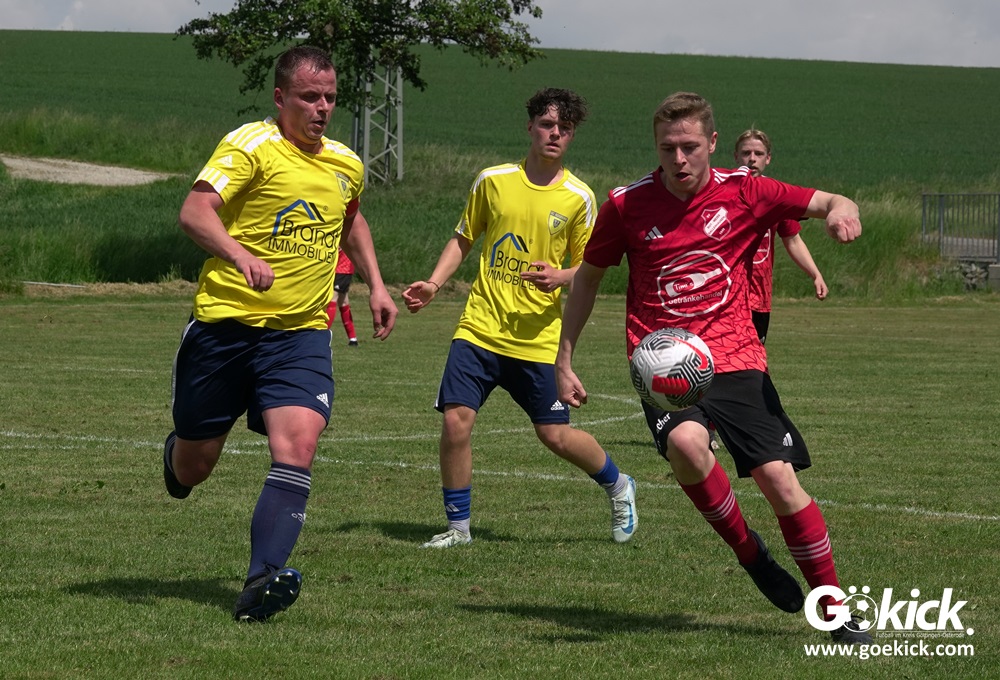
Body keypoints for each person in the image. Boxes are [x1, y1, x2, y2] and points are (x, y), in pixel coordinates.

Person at [555, 92, 871, 645]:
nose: (678, 159)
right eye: (667, 148)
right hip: (664, 362)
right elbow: (588, 279)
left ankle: (835, 610)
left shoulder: (747, 190)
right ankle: (750, 553)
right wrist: (565, 358)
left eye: (690, 147)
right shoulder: (626, 205)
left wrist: (844, 210)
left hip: (737, 356)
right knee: (687, 446)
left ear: (713, 143)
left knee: (779, 480)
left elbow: (829, 200)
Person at [163, 45, 398, 622]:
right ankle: (177, 457)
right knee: (195, 467)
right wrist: (239, 254)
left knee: (298, 446)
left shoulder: (345, 163)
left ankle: (260, 583)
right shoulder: (250, 145)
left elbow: (350, 219)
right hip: (225, 328)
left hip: (300, 335)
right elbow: (195, 213)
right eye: (309, 97)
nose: (323, 108)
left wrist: (377, 284)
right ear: (280, 97)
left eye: (330, 98)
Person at [402, 88, 638, 549]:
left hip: (537, 338)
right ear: (530, 127)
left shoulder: (579, 197)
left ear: (572, 136)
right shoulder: (492, 180)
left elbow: (591, 268)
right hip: (480, 326)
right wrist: (433, 283)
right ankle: (459, 529)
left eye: (564, 128)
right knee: (456, 421)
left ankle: (619, 484)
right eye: (547, 124)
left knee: (555, 435)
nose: (555, 134)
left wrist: (560, 275)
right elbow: (463, 237)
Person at [734, 128, 828, 344]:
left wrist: (815, 274)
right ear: (736, 156)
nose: (752, 159)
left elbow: (792, 239)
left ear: (768, 158)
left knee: (754, 356)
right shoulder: (722, 191)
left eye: (758, 154)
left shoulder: (775, 196)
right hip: (727, 294)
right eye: (746, 153)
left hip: (759, 296)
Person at [326, 246, 359, 346]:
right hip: (340, 269)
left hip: (342, 269)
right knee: (343, 302)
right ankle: (353, 339)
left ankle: (323, 334)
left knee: (333, 298)